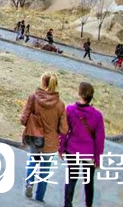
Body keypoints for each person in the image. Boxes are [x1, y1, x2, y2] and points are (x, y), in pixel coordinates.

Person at [20, 72, 68, 202]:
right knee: (45, 169)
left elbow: (23, 120)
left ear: (43, 83)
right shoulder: (60, 105)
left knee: (32, 161)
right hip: (50, 143)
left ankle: (29, 183)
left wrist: (33, 120)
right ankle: (40, 197)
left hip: (35, 138)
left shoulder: (33, 97)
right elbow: (64, 129)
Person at [60, 82, 105, 207]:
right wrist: (98, 158)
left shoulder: (70, 110)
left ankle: (67, 204)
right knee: (89, 182)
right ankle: (88, 205)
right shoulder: (97, 116)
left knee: (71, 178)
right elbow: (99, 140)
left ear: (79, 94)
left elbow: (64, 131)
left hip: (72, 149)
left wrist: (61, 148)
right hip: (88, 153)